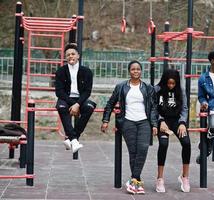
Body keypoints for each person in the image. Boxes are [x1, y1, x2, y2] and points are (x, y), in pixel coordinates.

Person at [101, 60, 158, 195]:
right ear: (129, 71)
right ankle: (136, 182)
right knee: (133, 152)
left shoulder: (147, 87)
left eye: (138, 69)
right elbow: (110, 104)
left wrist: (154, 124)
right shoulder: (121, 87)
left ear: (141, 71)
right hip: (128, 122)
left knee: (143, 149)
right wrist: (105, 120)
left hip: (144, 122)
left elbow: (154, 108)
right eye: (133, 69)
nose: (136, 71)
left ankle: (134, 180)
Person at [55, 43, 96, 153]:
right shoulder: (60, 71)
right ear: (65, 57)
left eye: (73, 54)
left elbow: (87, 91)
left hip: (80, 99)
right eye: (68, 55)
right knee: (61, 107)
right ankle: (74, 140)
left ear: (78, 55)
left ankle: (71, 139)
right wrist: (72, 104)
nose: (70, 56)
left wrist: (77, 104)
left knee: (89, 107)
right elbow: (59, 92)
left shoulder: (86, 72)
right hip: (66, 98)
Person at [154, 69, 191, 193]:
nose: (171, 86)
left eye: (173, 84)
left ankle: (184, 177)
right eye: (169, 83)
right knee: (163, 144)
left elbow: (185, 109)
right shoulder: (157, 90)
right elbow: (153, 109)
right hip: (163, 121)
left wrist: (182, 123)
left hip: (177, 121)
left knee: (186, 143)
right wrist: (160, 121)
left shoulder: (181, 91)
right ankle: (160, 178)